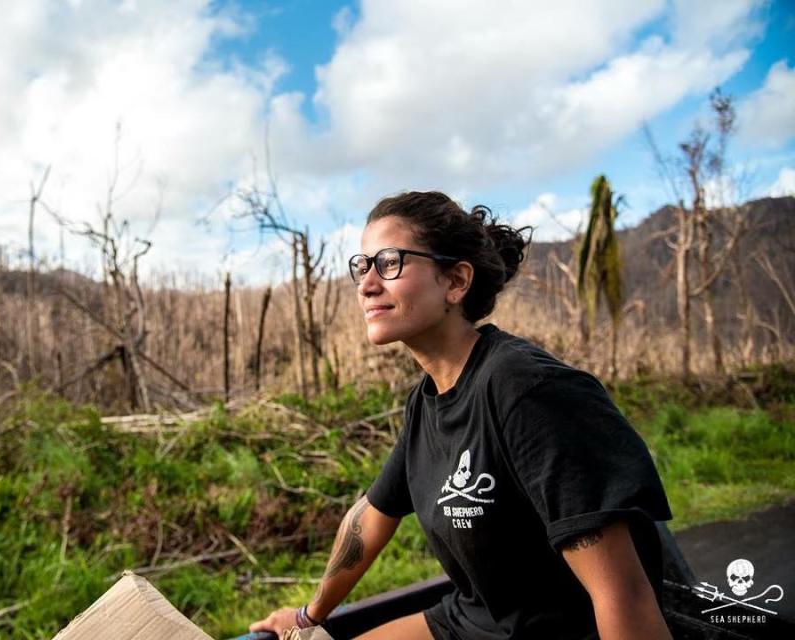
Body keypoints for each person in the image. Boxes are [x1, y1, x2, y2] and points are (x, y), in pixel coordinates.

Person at [249, 191, 673, 640]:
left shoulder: (526, 390)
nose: (367, 284)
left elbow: (622, 596)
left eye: (390, 262)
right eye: (362, 266)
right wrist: (306, 619)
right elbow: (371, 517)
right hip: (472, 621)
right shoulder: (429, 400)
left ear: (455, 281)